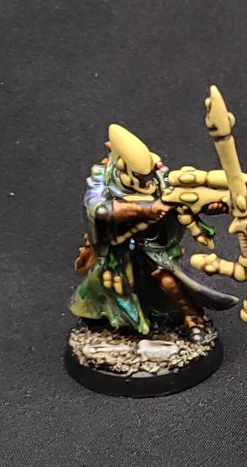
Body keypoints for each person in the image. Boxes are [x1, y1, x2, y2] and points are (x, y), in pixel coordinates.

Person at [69, 124, 236, 342]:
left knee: (169, 282)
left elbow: (183, 198)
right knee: (109, 288)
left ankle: (192, 318)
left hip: (154, 246)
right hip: (116, 250)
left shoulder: (158, 175)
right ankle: (113, 324)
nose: (146, 180)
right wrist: (144, 209)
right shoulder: (103, 177)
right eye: (139, 176)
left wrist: (211, 205)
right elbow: (97, 210)